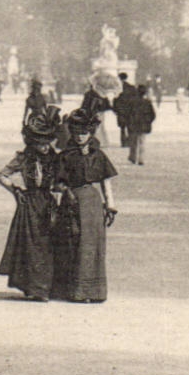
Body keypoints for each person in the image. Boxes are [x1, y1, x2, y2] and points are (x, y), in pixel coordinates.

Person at [0, 105, 61, 301]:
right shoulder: (23, 158)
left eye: (48, 143)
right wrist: (16, 190)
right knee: (31, 245)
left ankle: (45, 286)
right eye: (41, 143)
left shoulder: (55, 159)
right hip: (29, 204)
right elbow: (1, 175)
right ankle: (33, 287)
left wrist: (59, 192)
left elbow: (62, 181)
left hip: (48, 203)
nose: (46, 147)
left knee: (47, 244)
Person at [50, 109, 117, 303]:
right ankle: (72, 290)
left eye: (84, 133)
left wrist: (111, 206)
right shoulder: (65, 156)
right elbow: (57, 183)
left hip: (92, 204)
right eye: (77, 133)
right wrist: (65, 193)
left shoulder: (98, 155)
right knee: (71, 243)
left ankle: (93, 292)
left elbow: (106, 181)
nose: (80, 137)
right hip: (70, 202)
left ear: (90, 134)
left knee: (92, 245)